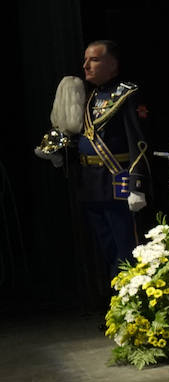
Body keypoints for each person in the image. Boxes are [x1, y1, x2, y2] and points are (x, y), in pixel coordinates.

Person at [41, 41, 151, 281]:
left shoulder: (127, 93)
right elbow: (77, 133)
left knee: (127, 250)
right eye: (85, 60)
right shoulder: (88, 97)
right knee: (107, 251)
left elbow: (139, 144)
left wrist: (136, 185)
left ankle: (135, 313)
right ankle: (117, 311)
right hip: (90, 185)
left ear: (112, 64)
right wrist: (55, 150)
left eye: (94, 60)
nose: (86, 65)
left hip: (117, 184)